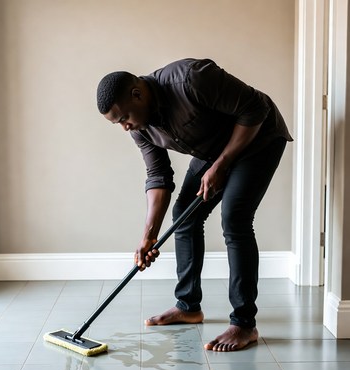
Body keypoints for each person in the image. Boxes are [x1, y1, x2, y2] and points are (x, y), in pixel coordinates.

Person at [97, 58, 293, 352]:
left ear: (137, 94)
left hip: (258, 137)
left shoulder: (190, 79)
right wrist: (149, 235)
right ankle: (188, 306)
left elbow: (256, 108)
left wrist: (223, 163)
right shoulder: (140, 128)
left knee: (235, 219)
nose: (125, 127)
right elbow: (159, 176)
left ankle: (244, 325)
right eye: (117, 124)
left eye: (123, 117)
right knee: (184, 217)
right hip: (214, 149)